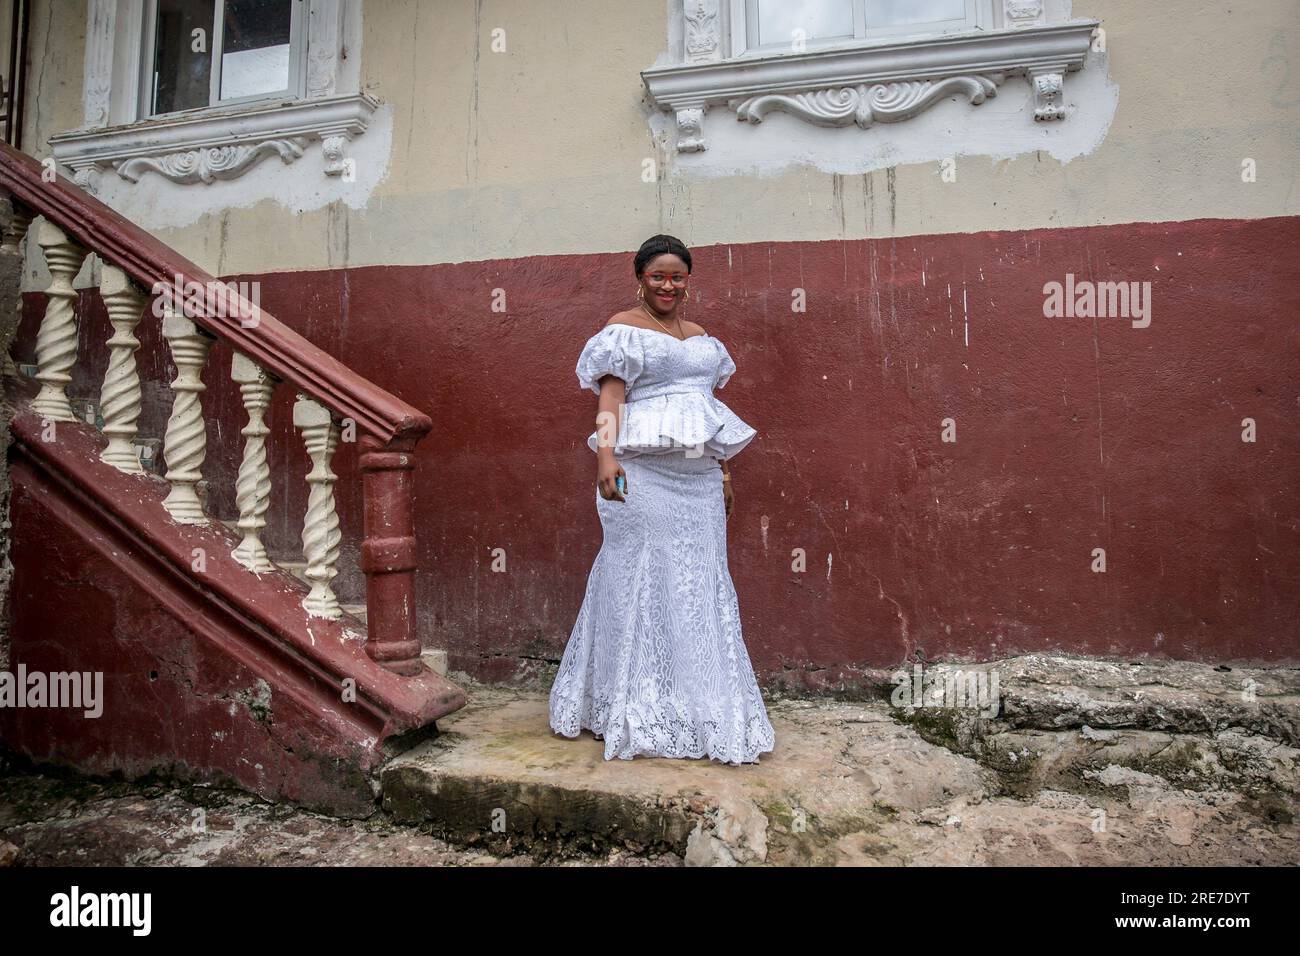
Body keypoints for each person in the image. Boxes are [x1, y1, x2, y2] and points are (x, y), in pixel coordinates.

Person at [548, 234, 777, 765]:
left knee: (699, 580)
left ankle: (700, 704)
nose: (668, 285)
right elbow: (611, 397)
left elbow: (704, 410)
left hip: (697, 477)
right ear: (641, 280)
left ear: (688, 281)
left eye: (677, 276)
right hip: (640, 473)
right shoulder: (622, 331)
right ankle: (630, 705)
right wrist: (606, 457)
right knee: (639, 576)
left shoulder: (702, 340)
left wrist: (721, 469)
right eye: (658, 276)